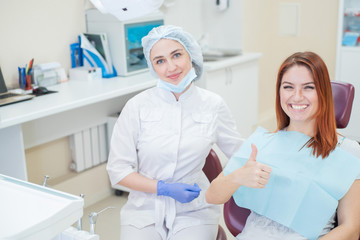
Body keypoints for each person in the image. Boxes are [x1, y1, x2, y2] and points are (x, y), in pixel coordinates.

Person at [106, 25, 243, 240]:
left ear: (191, 55)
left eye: (176, 55)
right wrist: (162, 188)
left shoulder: (213, 104)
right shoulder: (137, 106)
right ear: (153, 67)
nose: (171, 67)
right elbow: (118, 170)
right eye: (160, 61)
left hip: (194, 208)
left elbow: (240, 152)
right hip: (144, 208)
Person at [206, 51, 360, 240]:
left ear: (323, 93)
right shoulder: (261, 143)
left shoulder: (347, 152)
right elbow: (212, 196)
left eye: (308, 87)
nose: (297, 97)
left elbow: (351, 229)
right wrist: (237, 177)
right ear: (279, 92)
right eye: (288, 87)